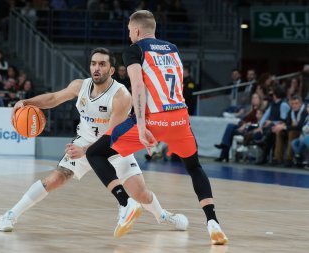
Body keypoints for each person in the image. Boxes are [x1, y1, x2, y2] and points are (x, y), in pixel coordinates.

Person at [0, 48, 188, 236]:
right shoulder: (80, 86)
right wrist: (27, 102)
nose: (97, 68)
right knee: (56, 178)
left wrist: (86, 151)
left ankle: (162, 216)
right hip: (85, 141)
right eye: (93, 63)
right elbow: (54, 98)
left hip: (113, 146)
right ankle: (10, 215)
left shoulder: (121, 96)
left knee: (141, 194)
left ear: (111, 70)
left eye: (102, 64)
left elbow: (111, 137)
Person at [86, 10, 228, 245]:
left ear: (138, 30)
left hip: (154, 118)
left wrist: (142, 127)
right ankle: (213, 222)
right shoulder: (172, 48)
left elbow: (139, 87)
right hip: (180, 118)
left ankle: (126, 203)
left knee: (95, 153)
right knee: (194, 167)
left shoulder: (134, 50)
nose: (129, 35)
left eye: (130, 31)